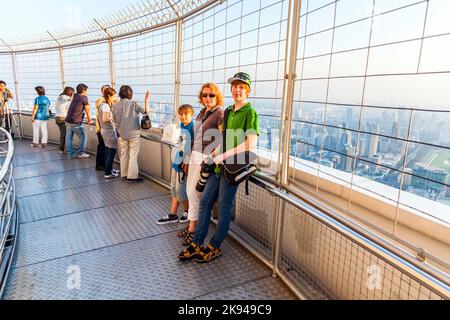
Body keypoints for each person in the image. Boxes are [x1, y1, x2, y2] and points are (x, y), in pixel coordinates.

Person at [179, 72, 259, 263]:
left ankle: (214, 246)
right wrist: (214, 154)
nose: (238, 90)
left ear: (247, 90)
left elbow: (250, 144)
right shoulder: (229, 111)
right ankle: (197, 242)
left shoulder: (250, 112)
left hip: (232, 167)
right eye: (235, 86)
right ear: (231, 89)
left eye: (242, 87)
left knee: (223, 206)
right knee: (205, 202)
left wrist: (223, 155)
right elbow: (224, 139)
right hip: (217, 166)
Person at [177, 83, 224, 246]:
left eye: (211, 95)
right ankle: (192, 226)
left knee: (194, 194)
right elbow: (196, 137)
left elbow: (224, 138)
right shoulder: (202, 112)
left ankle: (193, 229)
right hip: (195, 155)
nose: (208, 98)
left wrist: (212, 156)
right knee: (190, 193)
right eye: (205, 95)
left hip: (205, 157)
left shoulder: (220, 113)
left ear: (217, 96)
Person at [156, 104, 195, 225]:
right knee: (173, 189)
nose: (183, 117)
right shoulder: (183, 125)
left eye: (186, 114)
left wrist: (187, 162)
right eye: (181, 114)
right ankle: (173, 214)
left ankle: (188, 211)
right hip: (176, 162)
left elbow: (194, 147)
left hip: (184, 165)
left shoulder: (193, 128)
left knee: (182, 191)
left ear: (191, 114)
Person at [112, 85, 150, 182]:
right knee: (133, 154)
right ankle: (132, 176)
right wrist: (146, 100)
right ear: (130, 93)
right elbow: (145, 112)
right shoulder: (133, 103)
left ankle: (124, 174)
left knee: (124, 153)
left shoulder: (115, 105)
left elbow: (113, 120)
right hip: (133, 133)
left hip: (122, 133)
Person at [65, 83, 93, 159]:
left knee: (69, 137)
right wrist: (90, 120)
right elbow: (87, 109)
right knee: (83, 136)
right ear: (83, 91)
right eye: (86, 90)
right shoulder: (84, 97)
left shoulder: (75, 95)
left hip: (68, 119)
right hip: (75, 121)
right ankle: (81, 152)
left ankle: (71, 153)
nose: (87, 92)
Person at [98, 87, 120, 179]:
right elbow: (104, 118)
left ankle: (109, 170)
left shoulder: (101, 104)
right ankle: (108, 173)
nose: (114, 98)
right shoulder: (106, 106)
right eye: (113, 96)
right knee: (111, 152)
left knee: (108, 150)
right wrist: (112, 118)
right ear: (108, 96)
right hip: (109, 131)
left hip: (103, 130)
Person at [54, 87, 75, 153]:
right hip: (63, 118)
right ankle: (63, 149)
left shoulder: (60, 97)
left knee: (63, 134)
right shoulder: (66, 98)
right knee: (65, 134)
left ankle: (62, 148)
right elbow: (73, 99)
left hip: (57, 117)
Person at [95, 84, 111, 171]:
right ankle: (100, 165)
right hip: (101, 128)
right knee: (102, 146)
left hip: (107, 128)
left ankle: (105, 165)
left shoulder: (109, 101)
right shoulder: (100, 101)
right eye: (105, 90)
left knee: (106, 147)